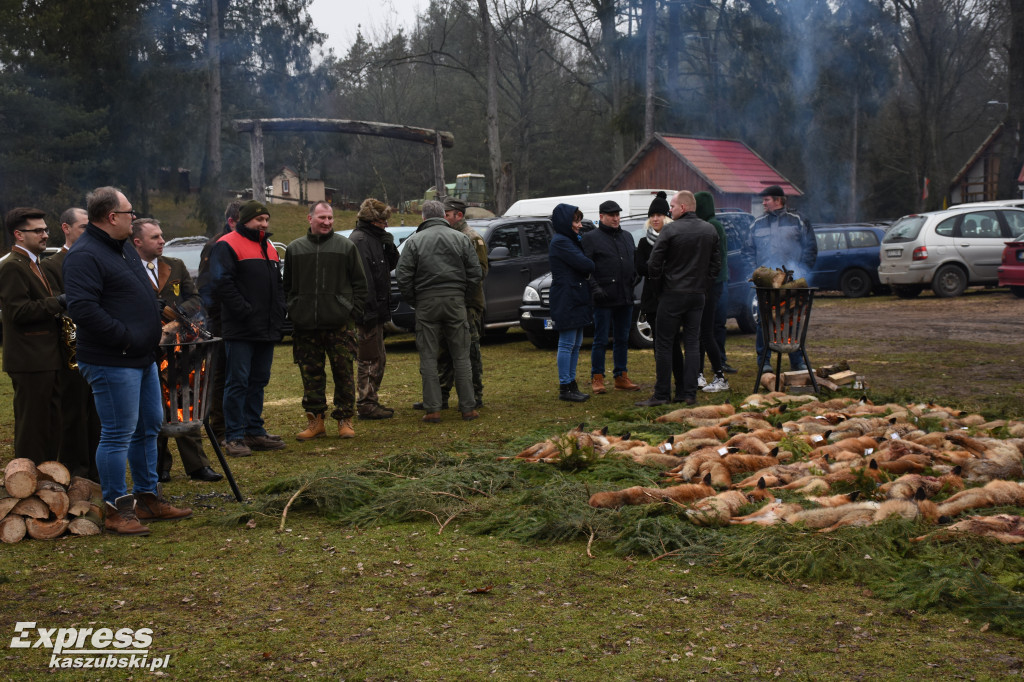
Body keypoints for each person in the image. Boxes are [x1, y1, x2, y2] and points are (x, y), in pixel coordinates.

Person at [64, 186, 191, 535]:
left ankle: (148, 498)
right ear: (112, 217)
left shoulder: (124, 250)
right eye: (129, 212)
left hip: (141, 357)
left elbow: (140, 295)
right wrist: (128, 336)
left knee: (149, 425)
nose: (133, 218)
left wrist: (155, 323)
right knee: (118, 433)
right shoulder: (84, 255)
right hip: (111, 359)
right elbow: (83, 309)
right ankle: (116, 508)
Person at [131, 217, 222, 482]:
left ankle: (197, 465)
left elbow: (195, 297)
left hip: (179, 347)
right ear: (137, 242)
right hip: (147, 348)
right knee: (153, 407)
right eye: (155, 237)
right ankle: (160, 466)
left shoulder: (176, 266)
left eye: (161, 235)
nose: (162, 241)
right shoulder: (128, 270)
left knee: (185, 399)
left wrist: (180, 313)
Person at [283, 201, 368, 441]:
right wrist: (295, 309)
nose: (327, 222)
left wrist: (350, 312)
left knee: (344, 373)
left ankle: (345, 420)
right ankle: (315, 422)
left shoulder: (346, 247)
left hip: (340, 325)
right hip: (306, 325)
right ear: (309, 219)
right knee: (311, 375)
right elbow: (287, 286)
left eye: (330, 218)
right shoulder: (295, 249)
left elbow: (360, 285)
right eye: (322, 218)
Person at [209, 199, 287, 456]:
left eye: (266, 219)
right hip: (241, 328)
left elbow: (277, 284)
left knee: (258, 380)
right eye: (258, 220)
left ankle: (254, 430)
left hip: (266, 327)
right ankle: (233, 436)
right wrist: (244, 310)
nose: (263, 224)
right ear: (245, 221)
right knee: (237, 381)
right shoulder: (227, 244)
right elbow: (222, 283)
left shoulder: (269, 247)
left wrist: (279, 311)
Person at [395, 200, 481, 423]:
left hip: (426, 303)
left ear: (423, 218)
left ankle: (433, 409)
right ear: (444, 216)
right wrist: (462, 296)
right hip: (456, 302)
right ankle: (468, 408)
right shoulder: (461, 238)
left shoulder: (413, 241)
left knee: (429, 357)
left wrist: (416, 299)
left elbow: (402, 276)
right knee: (461, 356)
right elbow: (475, 273)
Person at [636, 190, 720, 407]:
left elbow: (654, 264)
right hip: (697, 295)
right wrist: (704, 286)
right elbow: (715, 265)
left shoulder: (671, 230)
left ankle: (662, 394)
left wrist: (659, 289)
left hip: (672, 294)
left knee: (664, 344)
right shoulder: (709, 229)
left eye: (672, 207)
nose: (669, 211)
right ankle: (689, 393)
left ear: (683, 207)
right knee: (692, 343)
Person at [0, 207, 64, 465]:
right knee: (33, 426)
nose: (45, 235)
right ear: (18, 234)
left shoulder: (34, 263)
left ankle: (49, 476)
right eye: (37, 230)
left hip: (46, 356)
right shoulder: (12, 267)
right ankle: (28, 478)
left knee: (50, 422)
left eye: (46, 229)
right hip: (29, 359)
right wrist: (57, 302)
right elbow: (18, 312)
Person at [41, 207, 101, 481]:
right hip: (70, 349)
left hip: (102, 345)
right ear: (66, 228)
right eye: (83, 227)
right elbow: (58, 306)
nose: (89, 232)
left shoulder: (97, 258)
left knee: (99, 411)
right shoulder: (52, 265)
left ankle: (97, 468)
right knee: (74, 411)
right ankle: (75, 469)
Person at [749, 185, 817, 372]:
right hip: (765, 284)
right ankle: (764, 362)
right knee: (764, 321)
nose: (763, 203)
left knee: (791, 319)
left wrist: (801, 272)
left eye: (766, 199)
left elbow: (810, 248)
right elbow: (748, 250)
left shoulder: (798, 221)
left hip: (792, 281)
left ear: (778, 200)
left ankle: (797, 361)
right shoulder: (757, 224)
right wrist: (756, 273)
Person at [348, 198, 400, 420]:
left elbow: (392, 265)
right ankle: (366, 403)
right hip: (367, 312)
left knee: (378, 357)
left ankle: (370, 400)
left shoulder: (375, 239)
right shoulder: (360, 241)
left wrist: (389, 247)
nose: (386, 225)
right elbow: (364, 281)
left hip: (376, 309)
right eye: (382, 221)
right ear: (372, 220)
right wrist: (367, 311)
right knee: (369, 358)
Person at [582, 200, 640, 394]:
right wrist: (595, 288)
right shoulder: (590, 238)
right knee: (600, 339)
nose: (616, 218)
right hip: (603, 298)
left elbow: (634, 260)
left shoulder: (627, 236)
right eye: (611, 215)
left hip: (624, 295)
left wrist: (635, 276)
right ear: (601, 217)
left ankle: (621, 376)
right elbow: (585, 268)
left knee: (623, 338)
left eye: (617, 214)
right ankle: (597, 377)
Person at [435, 196, 488, 409]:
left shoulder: (472, 238)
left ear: (458, 215)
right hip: (450, 304)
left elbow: (481, 271)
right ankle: (440, 395)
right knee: (444, 350)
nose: (444, 219)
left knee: (469, 350)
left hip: (467, 305)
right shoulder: (449, 236)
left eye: (446, 215)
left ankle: (475, 395)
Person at [196, 200, 242, 444]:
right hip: (222, 322)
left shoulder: (253, 244)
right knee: (221, 375)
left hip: (245, 323)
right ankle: (220, 430)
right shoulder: (215, 246)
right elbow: (205, 287)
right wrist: (219, 316)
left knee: (242, 376)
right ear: (231, 222)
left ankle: (241, 426)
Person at [634, 192, 685, 399]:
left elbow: (674, 267)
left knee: (673, 344)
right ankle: (663, 387)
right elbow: (640, 268)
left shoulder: (675, 239)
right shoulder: (644, 243)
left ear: (667, 217)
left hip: (672, 298)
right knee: (659, 346)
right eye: (652, 215)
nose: (655, 219)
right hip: (652, 300)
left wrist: (654, 267)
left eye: (660, 215)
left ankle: (680, 387)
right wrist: (656, 268)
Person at [547, 203, 594, 402]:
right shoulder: (561, 242)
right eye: (576, 221)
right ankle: (565, 386)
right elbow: (586, 264)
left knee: (575, 344)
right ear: (566, 222)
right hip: (567, 297)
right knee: (567, 344)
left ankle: (571, 383)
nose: (579, 225)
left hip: (576, 296)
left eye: (579, 220)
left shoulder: (570, 240)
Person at [693, 191, 730, 394]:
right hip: (711, 284)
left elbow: (711, 258)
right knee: (701, 332)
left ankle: (719, 375)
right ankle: (699, 373)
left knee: (706, 332)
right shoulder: (713, 224)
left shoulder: (712, 226)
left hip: (711, 285)